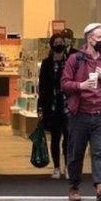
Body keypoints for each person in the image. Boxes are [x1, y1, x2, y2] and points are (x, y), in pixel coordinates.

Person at [61, 22, 101, 201]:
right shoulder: (75, 59)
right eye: (99, 37)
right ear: (89, 38)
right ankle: (74, 187)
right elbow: (64, 84)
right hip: (79, 114)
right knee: (76, 153)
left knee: (100, 151)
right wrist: (81, 85)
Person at [37, 29, 75, 179]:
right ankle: (56, 167)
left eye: (61, 43)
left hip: (68, 105)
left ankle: (67, 166)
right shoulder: (47, 64)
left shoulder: (70, 61)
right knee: (55, 138)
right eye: (56, 43)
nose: (59, 45)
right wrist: (40, 107)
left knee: (68, 138)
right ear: (52, 45)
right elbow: (42, 86)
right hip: (52, 106)